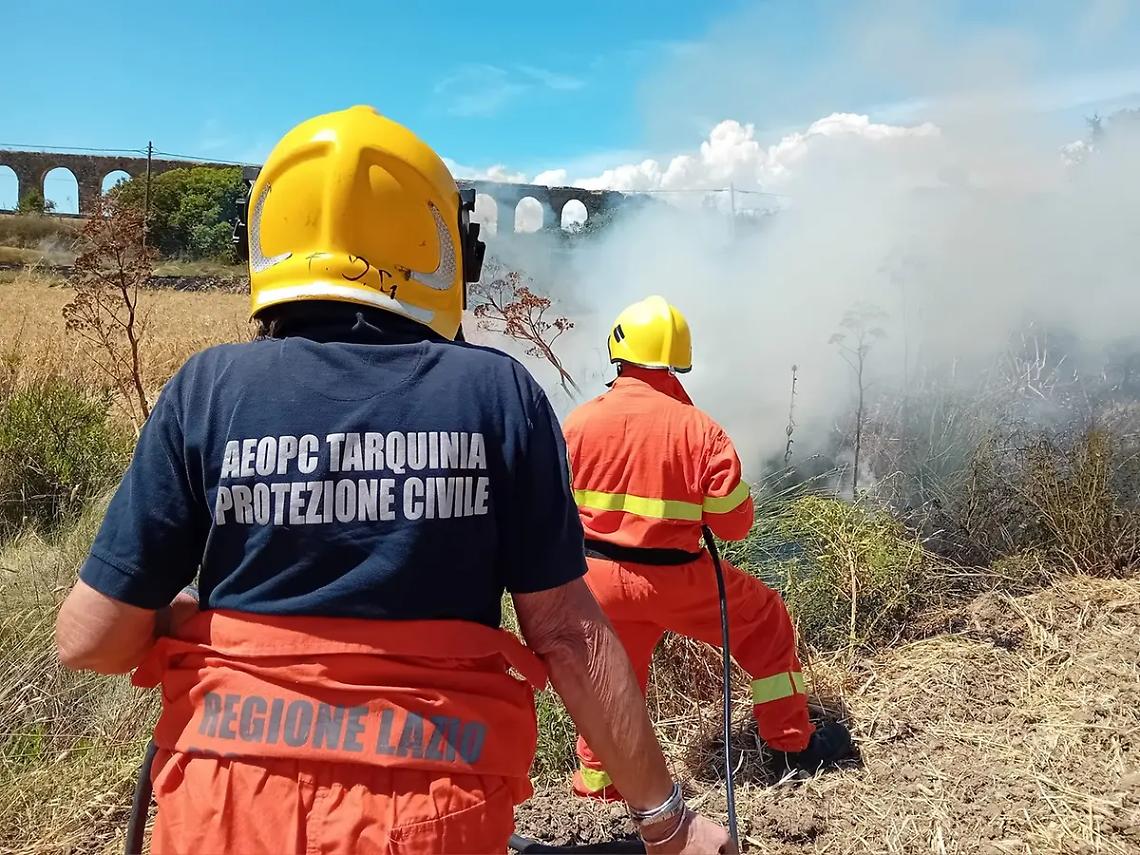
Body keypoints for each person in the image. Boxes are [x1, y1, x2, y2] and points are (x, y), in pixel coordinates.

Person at [54, 107, 734, 855]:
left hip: (223, 809)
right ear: (440, 247)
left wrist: (181, 613)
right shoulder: (498, 396)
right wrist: (669, 823)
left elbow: (90, 640)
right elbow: (570, 636)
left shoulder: (206, 389)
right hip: (429, 814)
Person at [563, 295, 852, 800]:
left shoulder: (577, 424)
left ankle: (599, 781)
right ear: (679, 360)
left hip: (597, 579)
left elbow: (550, 511)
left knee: (610, 677)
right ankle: (790, 744)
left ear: (618, 352)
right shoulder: (700, 430)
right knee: (765, 620)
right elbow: (735, 523)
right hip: (678, 579)